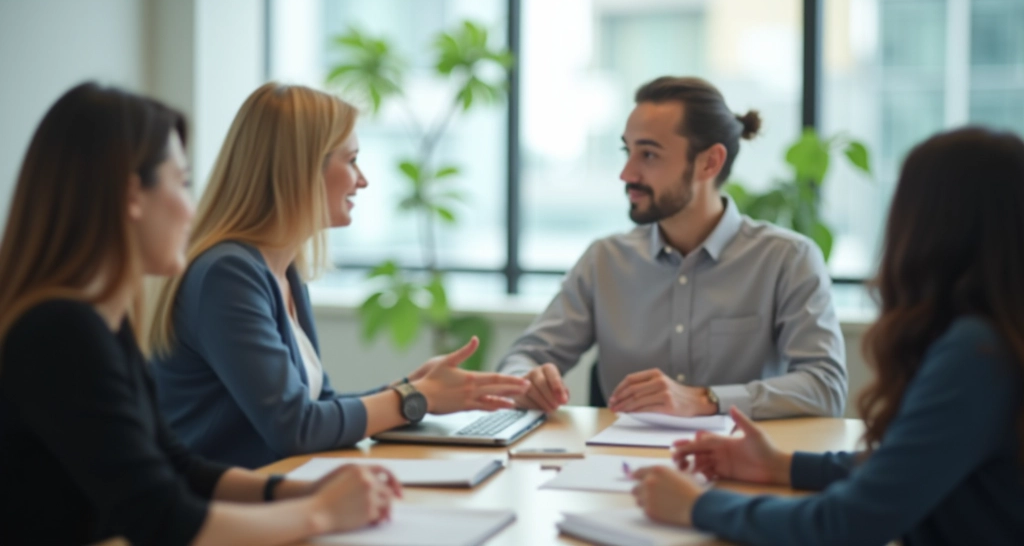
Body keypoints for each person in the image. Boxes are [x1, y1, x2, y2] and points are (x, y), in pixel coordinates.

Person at [0, 82, 403, 546]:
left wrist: (303, 491)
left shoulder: (100, 324)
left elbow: (178, 467)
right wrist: (318, 514)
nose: (193, 211)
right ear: (133, 196)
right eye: (183, 183)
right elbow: (164, 519)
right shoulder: (60, 333)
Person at [630, 127, 1024, 545]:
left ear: (932, 226)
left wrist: (696, 506)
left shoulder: (976, 353)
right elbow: (910, 467)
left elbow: (846, 523)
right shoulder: (996, 336)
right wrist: (782, 466)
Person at [148, 82, 528, 468]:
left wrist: (408, 389)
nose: (362, 180)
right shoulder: (227, 275)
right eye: (351, 160)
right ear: (302, 169)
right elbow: (295, 427)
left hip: (275, 493)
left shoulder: (283, 272)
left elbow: (320, 406)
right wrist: (418, 397)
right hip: (221, 510)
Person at [497, 76, 847, 419]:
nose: (627, 173)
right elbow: (524, 358)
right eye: (627, 150)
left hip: (741, 468)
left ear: (709, 162)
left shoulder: (787, 259)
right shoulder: (604, 260)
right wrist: (527, 379)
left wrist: (706, 399)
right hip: (621, 467)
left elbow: (826, 386)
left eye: (648, 154)